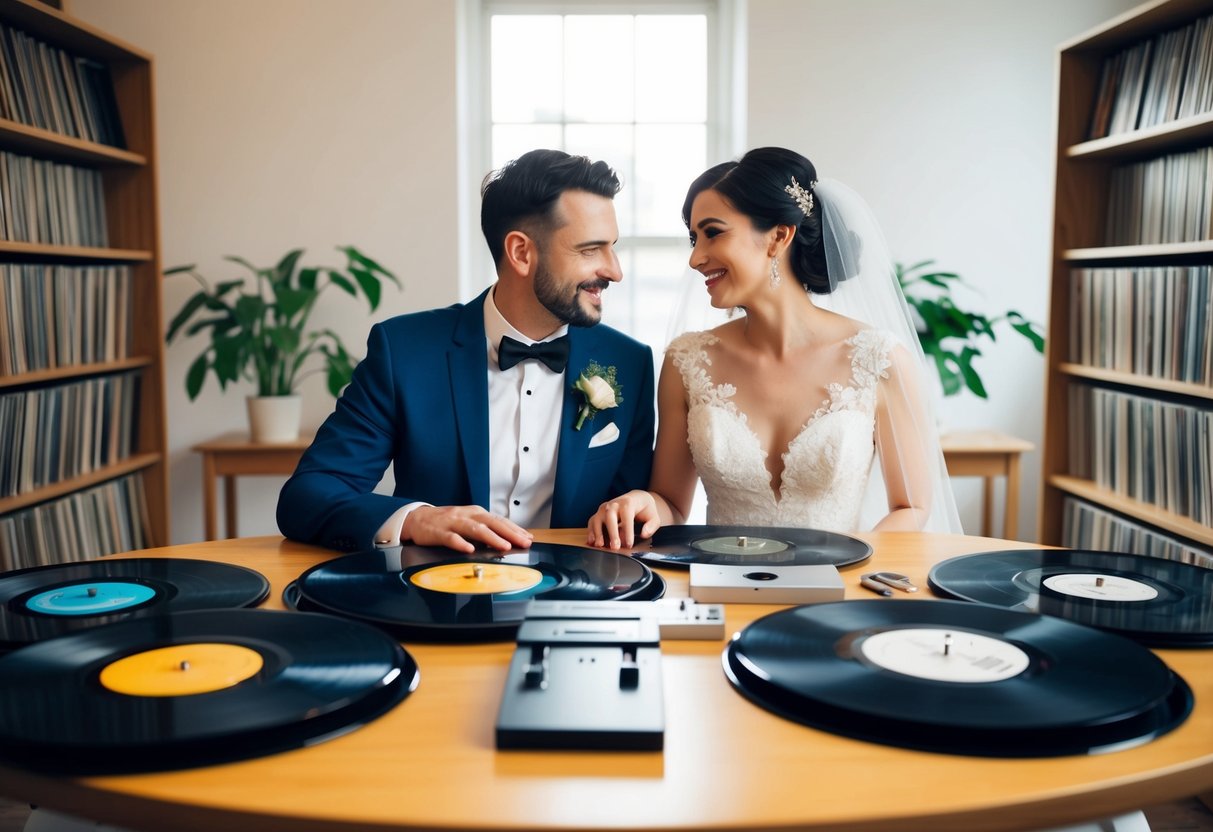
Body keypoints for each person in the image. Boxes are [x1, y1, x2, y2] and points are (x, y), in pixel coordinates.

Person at [278, 149, 655, 553]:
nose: (614, 270)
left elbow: (633, 524)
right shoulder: (404, 352)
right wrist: (415, 519)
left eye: (612, 247)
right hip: (437, 603)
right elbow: (308, 495)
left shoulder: (629, 364)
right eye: (590, 249)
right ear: (521, 252)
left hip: (578, 604)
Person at [587, 147, 960, 549]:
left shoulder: (879, 360)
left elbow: (911, 507)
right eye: (694, 238)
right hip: (719, 586)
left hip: (836, 589)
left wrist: (848, 564)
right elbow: (673, 505)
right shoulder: (687, 361)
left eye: (713, 233)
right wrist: (641, 501)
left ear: (779, 236)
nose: (696, 258)